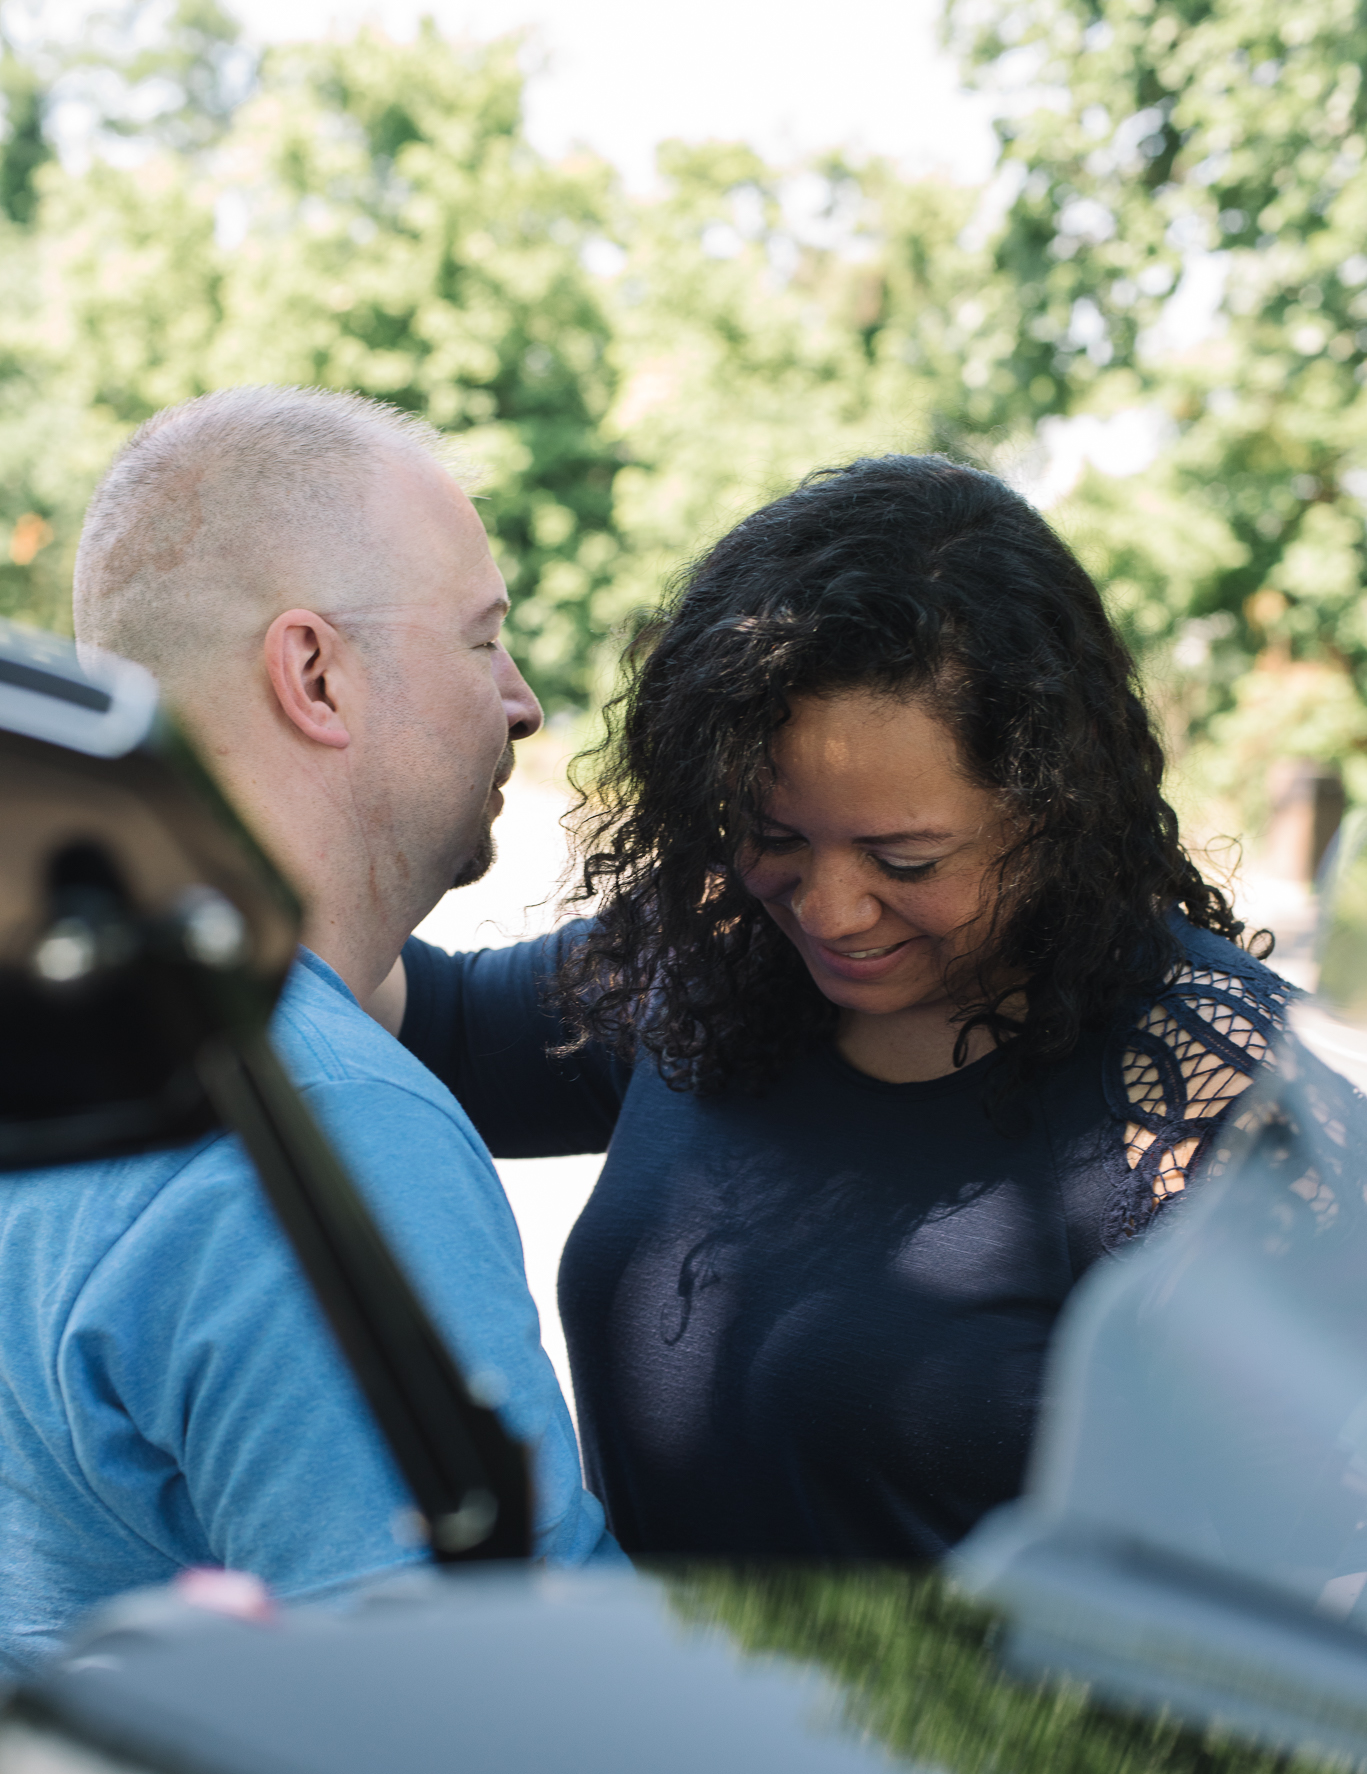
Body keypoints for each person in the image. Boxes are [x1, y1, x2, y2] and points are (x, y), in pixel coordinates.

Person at [375, 454, 1294, 1561]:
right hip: (634, 1724)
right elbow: (423, 1022)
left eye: (903, 858)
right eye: (772, 835)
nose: (829, 908)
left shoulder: (1213, 1094)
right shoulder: (714, 956)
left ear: (1055, 808)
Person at [0, 384, 615, 1677]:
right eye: (480, 638)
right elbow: (507, 1722)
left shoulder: (65, 1026)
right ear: (314, 673)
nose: (522, 703)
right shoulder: (322, 1121)